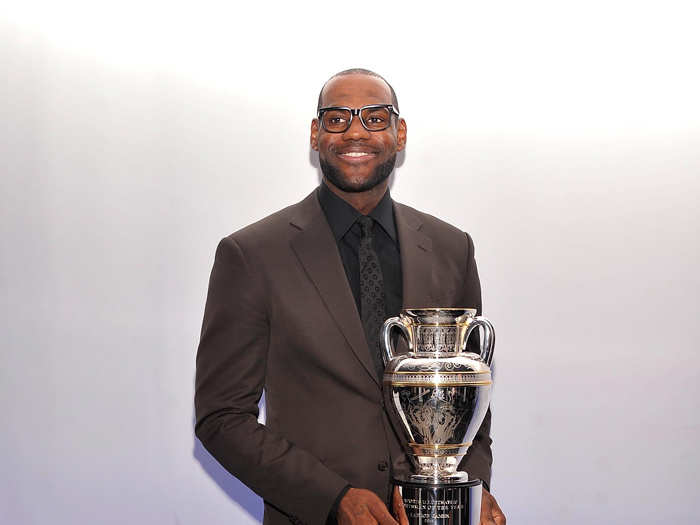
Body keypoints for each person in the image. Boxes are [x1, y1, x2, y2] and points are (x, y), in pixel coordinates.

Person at [194, 69, 506, 525]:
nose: (356, 131)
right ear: (316, 135)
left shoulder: (451, 248)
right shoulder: (252, 255)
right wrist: (333, 498)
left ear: (399, 134)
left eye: (375, 118)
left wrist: (470, 493)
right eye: (337, 119)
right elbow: (221, 417)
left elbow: (469, 398)